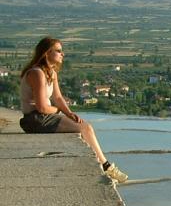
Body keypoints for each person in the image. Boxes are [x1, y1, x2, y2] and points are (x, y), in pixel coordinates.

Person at [19, 36, 128, 183]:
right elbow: (42, 107)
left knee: (86, 127)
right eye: (58, 51)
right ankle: (106, 166)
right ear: (46, 53)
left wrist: (69, 113)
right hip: (35, 119)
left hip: (44, 117)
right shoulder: (37, 73)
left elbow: (57, 98)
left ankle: (104, 165)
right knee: (85, 129)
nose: (62, 54)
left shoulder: (51, 73)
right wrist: (59, 112)